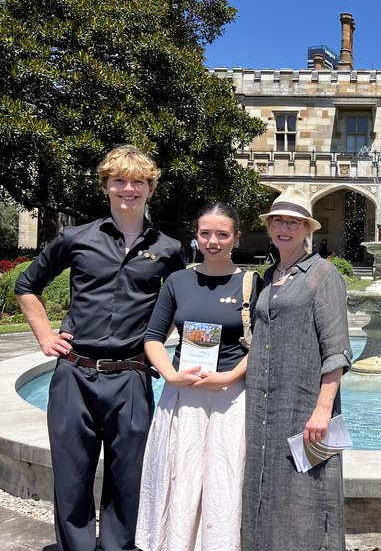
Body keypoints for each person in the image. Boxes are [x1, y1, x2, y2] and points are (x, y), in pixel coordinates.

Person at [14, 145, 185, 551]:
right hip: (74, 374)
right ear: (106, 186)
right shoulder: (76, 238)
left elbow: (183, 300)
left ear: (150, 188)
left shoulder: (168, 249)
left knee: (128, 478)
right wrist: (44, 337)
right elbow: (26, 286)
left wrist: (160, 344)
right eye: (119, 181)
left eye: (138, 182)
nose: (129, 188)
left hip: (131, 376)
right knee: (72, 477)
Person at [136, 203, 261, 551]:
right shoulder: (178, 281)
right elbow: (153, 338)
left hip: (230, 398)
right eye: (206, 233)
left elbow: (263, 345)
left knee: (224, 479)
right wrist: (169, 375)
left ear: (237, 237)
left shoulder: (251, 283)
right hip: (184, 396)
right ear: (196, 235)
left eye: (222, 234)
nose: (213, 241)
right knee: (183, 476)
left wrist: (228, 377)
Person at [242, 187, 352, 551]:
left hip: (305, 403)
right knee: (267, 483)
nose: (284, 228)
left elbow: (336, 350)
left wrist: (322, 410)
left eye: (293, 222)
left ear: (307, 229)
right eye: (277, 221)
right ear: (270, 228)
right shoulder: (269, 275)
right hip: (264, 405)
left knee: (308, 491)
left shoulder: (323, 274)